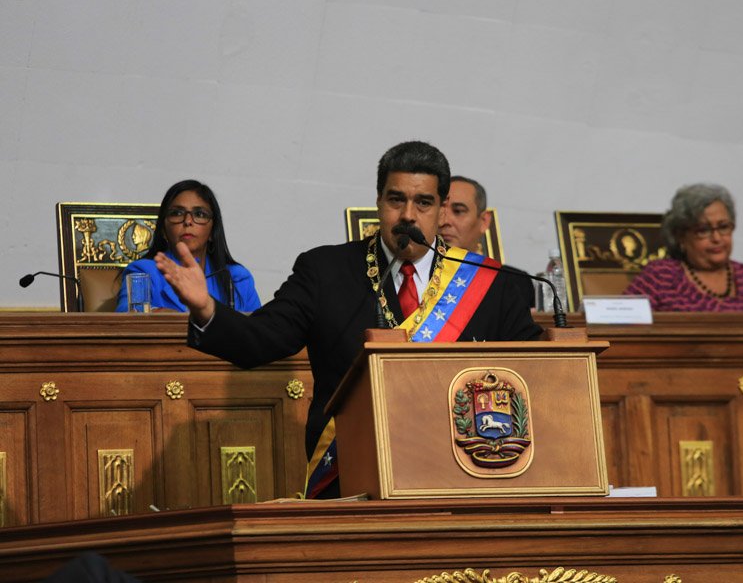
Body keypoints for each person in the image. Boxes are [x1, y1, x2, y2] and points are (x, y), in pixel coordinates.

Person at [154, 141, 543, 498]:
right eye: (396, 200)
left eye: (423, 203)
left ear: (441, 209)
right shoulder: (326, 271)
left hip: (460, 477)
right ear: (378, 202)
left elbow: (535, 377)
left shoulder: (493, 285)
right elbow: (261, 339)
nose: (407, 215)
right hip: (351, 477)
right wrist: (206, 308)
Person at [622, 183, 743, 312]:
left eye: (724, 227)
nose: (717, 238)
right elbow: (620, 323)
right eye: (703, 230)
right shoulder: (660, 277)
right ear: (681, 236)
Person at [115, 180, 261, 313]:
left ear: (212, 232)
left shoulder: (238, 278)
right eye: (177, 213)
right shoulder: (143, 272)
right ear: (163, 230)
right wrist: (164, 317)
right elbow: (128, 319)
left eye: (200, 214)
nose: (188, 221)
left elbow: (259, 332)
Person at [440, 176, 535, 308]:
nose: (444, 221)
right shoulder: (412, 276)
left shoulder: (512, 282)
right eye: (440, 210)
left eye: (458, 211)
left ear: (484, 221)